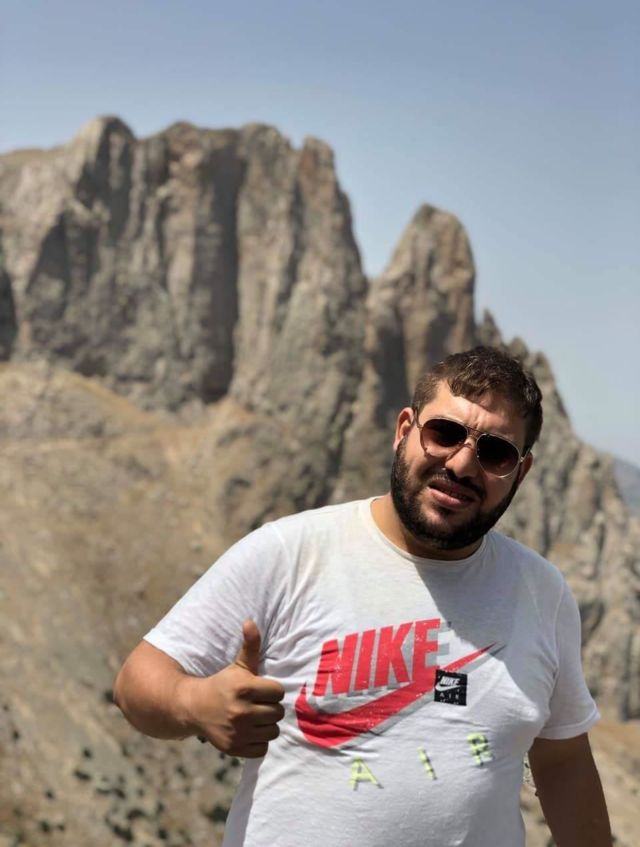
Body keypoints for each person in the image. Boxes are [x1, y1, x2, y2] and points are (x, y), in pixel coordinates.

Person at [114, 346, 612, 846]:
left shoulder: (541, 593)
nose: (462, 464)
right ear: (404, 431)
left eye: (495, 453)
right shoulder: (290, 553)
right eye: (444, 433)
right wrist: (195, 703)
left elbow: (563, 760)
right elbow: (137, 683)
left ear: (520, 473)